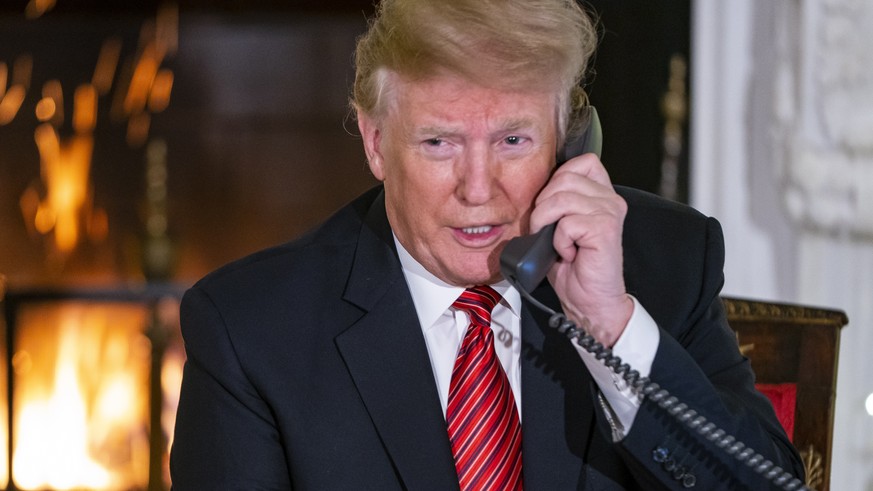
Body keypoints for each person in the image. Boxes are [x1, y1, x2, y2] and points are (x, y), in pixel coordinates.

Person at [170, 0, 804, 489]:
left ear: (568, 139)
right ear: (375, 142)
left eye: (513, 141)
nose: (479, 190)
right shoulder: (250, 331)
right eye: (439, 142)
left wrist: (610, 328)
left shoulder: (665, 262)